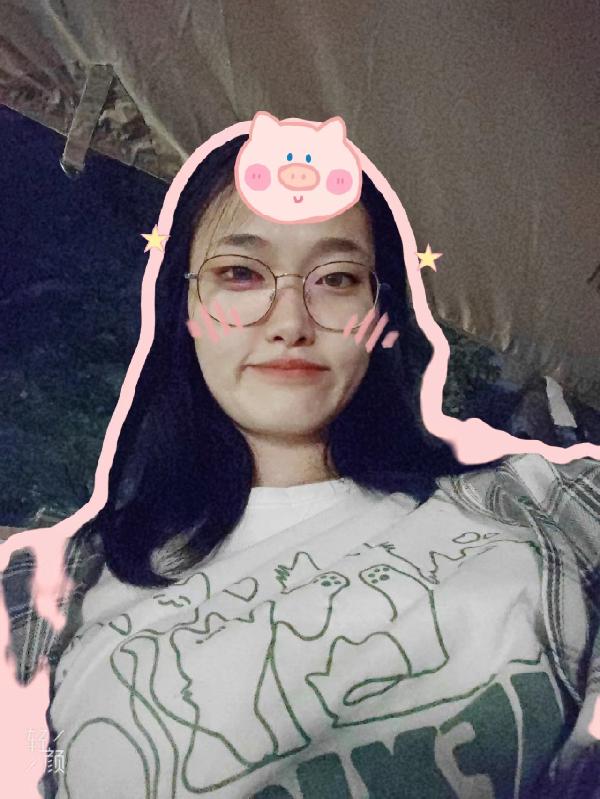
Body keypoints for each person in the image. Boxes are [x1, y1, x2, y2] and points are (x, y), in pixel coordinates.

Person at [2, 134, 600, 799]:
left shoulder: (539, 502)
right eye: (240, 274)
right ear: (186, 310)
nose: (290, 321)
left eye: (337, 278)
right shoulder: (53, 590)